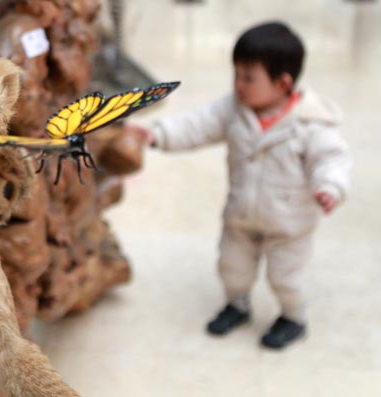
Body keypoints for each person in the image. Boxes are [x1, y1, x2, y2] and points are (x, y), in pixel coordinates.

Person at [142, 21, 351, 349]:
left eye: (248, 77)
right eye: (236, 74)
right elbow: (198, 124)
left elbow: (332, 160)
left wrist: (330, 186)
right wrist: (159, 134)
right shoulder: (233, 109)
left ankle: (293, 317)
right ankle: (237, 305)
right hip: (241, 216)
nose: (238, 84)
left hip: (289, 225)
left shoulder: (311, 124)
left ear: (283, 83)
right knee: (231, 267)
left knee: (285, 278)